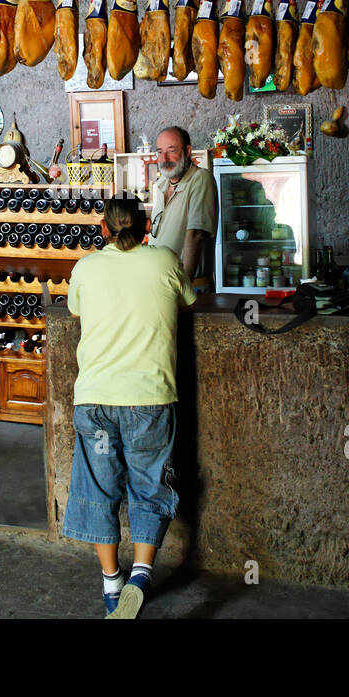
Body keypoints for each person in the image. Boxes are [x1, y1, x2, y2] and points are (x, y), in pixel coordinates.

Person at [64, 197, 196, 618]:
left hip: (96, 401)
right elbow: (188, 301)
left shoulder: (86, 267)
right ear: (145, 226)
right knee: (149, 484)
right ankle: (141, 573)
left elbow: (75, 310)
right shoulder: (164, 261)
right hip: (149, 400)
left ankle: (111, 586)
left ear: (103, 228)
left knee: (99, 489)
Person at [149, 126, 218, 290]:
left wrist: (184, 287)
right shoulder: (160, 185)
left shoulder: (200, 178)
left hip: (188, 286)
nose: (164, 158)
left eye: (171, 150)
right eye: (159, 152)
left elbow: (196, 234)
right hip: (162, 285)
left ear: (188, 151)